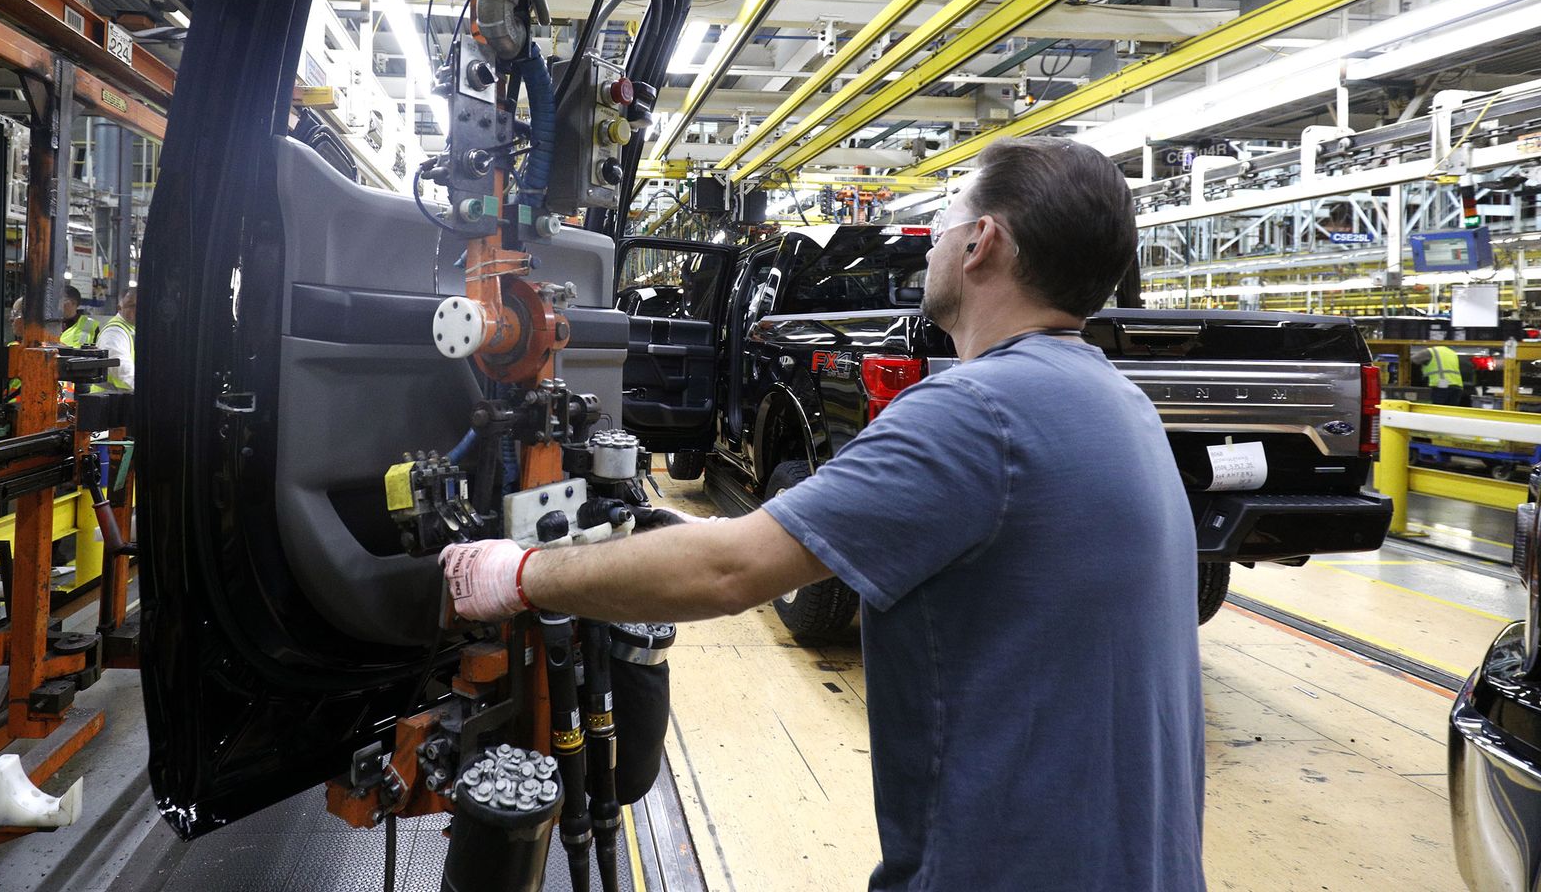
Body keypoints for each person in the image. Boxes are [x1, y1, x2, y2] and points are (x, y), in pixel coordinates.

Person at [441, 137, 1206, 892]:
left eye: (942, 221)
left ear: (983, 243)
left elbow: (731, 570)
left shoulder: (978, 411)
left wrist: (518, 573)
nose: (929, 246)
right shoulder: (1119, 404)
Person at [95, 289, 135, 392]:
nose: (137, 309)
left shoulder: (133, 328)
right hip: (109, 403)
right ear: (119, 308)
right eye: (132, 305)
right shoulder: (114, 333)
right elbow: (123, 371)